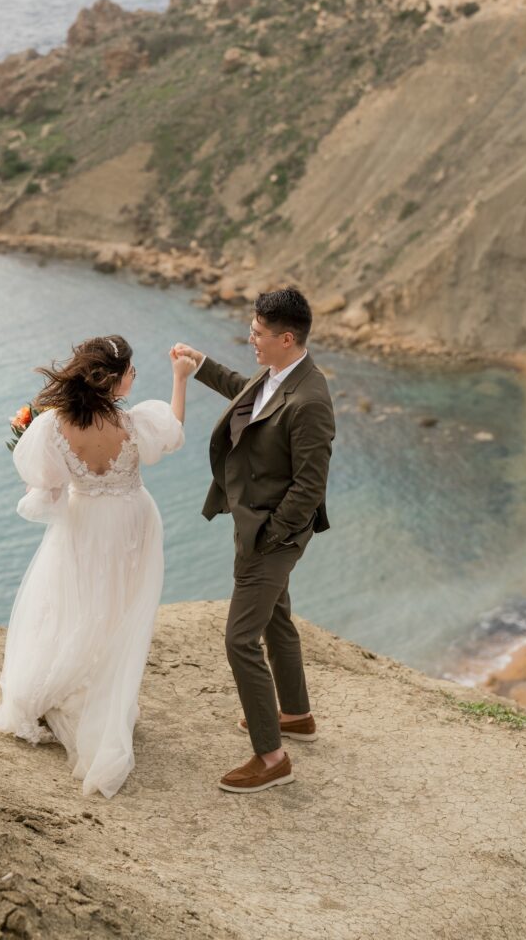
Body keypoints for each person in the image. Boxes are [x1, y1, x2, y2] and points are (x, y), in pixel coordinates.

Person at [0, 334, 196, 798]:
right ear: (114, 379)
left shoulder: (51, 427)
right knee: (119, 612)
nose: (135, 377)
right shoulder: (135, 422)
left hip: (82, 526)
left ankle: (61, 686)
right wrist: (182, 378)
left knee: (73, 605)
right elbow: (175, 432)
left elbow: (46, 486)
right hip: (132, 524)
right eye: (132, 371)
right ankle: (105, 692)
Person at [173, 286, 335, 794]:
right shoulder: (282, 374)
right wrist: (202, 366)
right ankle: (297, 715)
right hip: (259, 523)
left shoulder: (310, 400)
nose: (252, 339)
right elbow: (251, 393)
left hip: (271, 534)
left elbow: (311, 486)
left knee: (240, 639)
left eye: (259, 334)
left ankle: (271, 758)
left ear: (287, 338)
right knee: (276, 616)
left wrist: (269, 536)